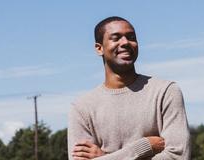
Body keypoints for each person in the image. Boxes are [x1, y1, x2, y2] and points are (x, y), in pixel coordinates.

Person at [68, 16, 190, 160]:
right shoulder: (82, 107)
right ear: (99, 48)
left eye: (131, 37)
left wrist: (105, 157)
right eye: (116, 38)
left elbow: (178, 156)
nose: (125, 42)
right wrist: (141, 148)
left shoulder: (165, 91)